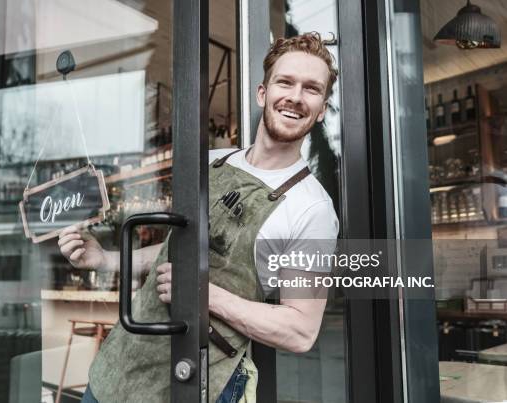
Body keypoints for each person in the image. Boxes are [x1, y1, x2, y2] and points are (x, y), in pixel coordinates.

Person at [59, 32, 339, 403]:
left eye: (311, 89)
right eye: (285, 82)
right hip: (119, 369)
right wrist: (106, 258)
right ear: (262, 93)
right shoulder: (210, 163)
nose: (295, 97)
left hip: (199, 383)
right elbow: (177, 250)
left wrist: (203, 293)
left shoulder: (313, 209)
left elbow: (300, 330)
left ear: (321, 109)